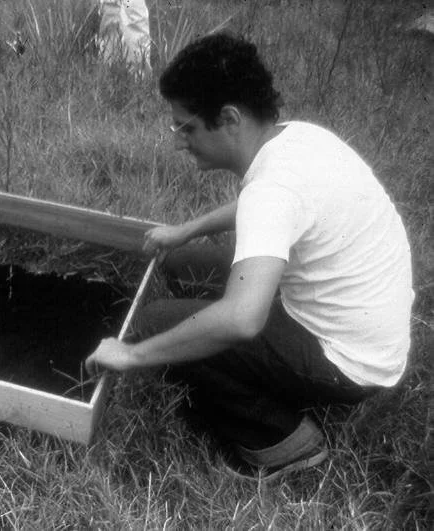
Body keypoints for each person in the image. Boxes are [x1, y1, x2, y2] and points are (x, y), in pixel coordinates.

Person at [85, 33, 414, 480]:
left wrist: (132, 355)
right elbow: (264, 206)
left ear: (229, 118)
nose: (180, 142)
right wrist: (187, 230)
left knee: (157, 323)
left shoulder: (273, 190)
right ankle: (248, 369)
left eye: (187, 128)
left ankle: (283, 443)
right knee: (183, 264)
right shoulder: (296, 139)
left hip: (348, 363)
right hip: (367, 328)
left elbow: (242, 320)